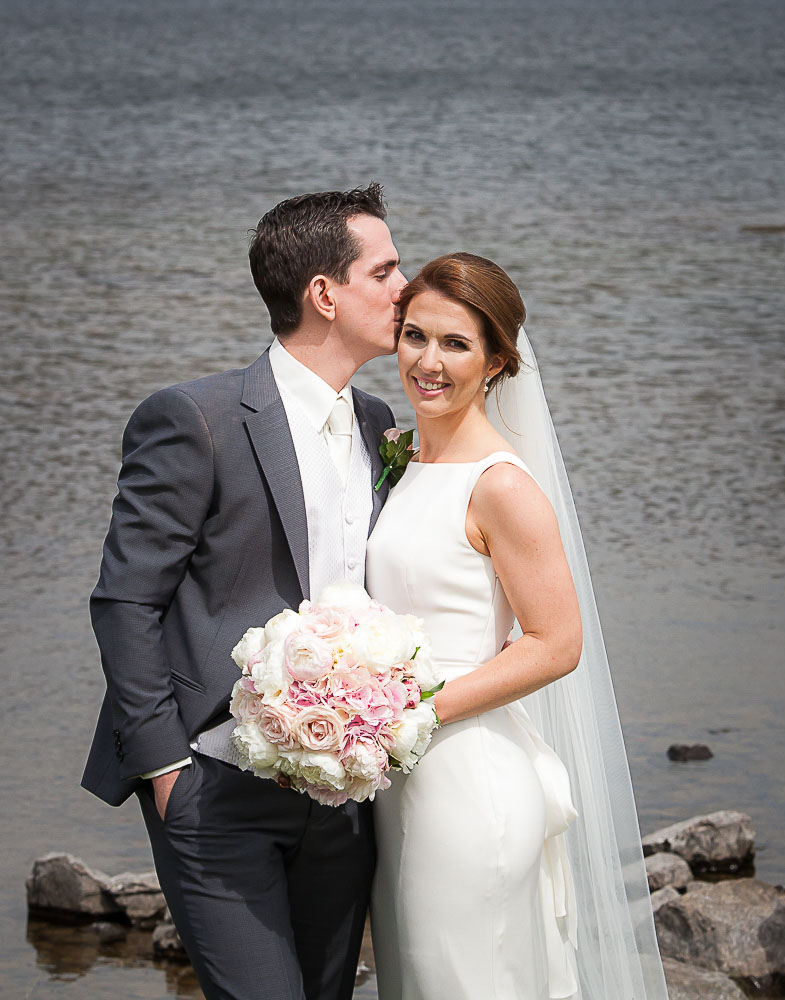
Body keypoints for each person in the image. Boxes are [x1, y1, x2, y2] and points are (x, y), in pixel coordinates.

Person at [81, 183, 406, 1000]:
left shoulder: (377, 424)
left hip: (344, 791)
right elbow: (126, 602)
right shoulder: (194, 418)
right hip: (214, 781)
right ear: (324, 294)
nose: (407, 287)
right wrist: (166, 772)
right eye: (386, 270)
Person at [366, 253, 669, 998]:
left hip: (467, 785)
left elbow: (556, 643)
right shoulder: (405, 461)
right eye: (414, 336)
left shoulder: (501, 485)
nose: (427, 362)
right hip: (397, 784)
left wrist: (419, 714)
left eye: (456, 344)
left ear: (499, 359)